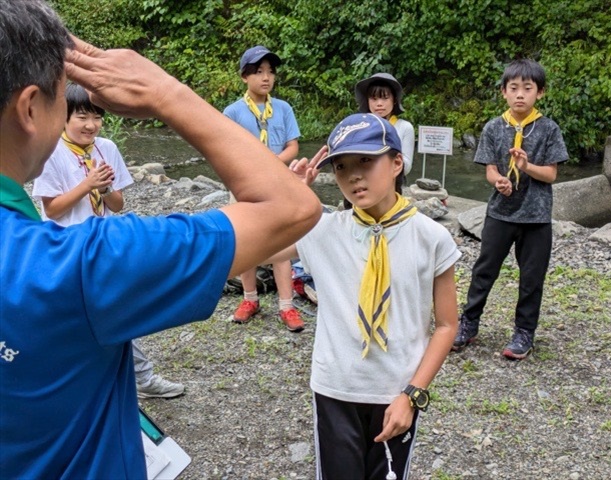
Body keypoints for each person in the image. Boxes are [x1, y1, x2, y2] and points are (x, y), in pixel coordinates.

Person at [0, 1, 321, 478]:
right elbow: (291, 208)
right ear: (31, 107)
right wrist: (165, 93)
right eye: (63, 99)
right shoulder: (82, 263)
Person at [272, 113, 460, 479]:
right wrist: (290, 203)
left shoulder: (431, 237)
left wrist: (412, 395)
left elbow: (447, 325)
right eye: (341, 167)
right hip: (335, 388)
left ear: (397, 163)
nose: (354, 175)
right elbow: (260, 250)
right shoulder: (323, 230)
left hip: (396, 393)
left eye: (366, 161)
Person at [32, 83, 184, 399]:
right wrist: (88, 183)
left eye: (97, 117)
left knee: (121, 307)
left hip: (104, 245)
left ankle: (140, 378)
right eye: (82, 117)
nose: (90, 125)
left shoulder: (107, 148)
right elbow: (52, 208)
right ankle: (78, 381)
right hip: (67, 247)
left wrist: (103, 188)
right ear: (63, 117)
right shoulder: (51, 151)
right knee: (82, 316)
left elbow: (118, 205)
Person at [451, 58, 569, 359]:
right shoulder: (493, 127)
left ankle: (524, 333)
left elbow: (552, 175)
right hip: (500, 213)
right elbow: (490, 170)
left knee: (532, 276)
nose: (520, 94)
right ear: (503, 91)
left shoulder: (549, 129)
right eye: (513, 88)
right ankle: (469, 324)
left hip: (537, 215)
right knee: (484, 270)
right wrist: (499, 181)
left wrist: (526, 166)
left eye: (527, 89)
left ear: (539, 93)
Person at [223, 45, 305, 332]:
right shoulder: (232, 112)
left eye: (270, 72)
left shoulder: (283, 109)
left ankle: (287, 305)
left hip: (279, 183)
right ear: (245, 76)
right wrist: (256, 167)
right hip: (245, 186)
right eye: (259, 72)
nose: (266, 77)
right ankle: (250, 299)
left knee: (281, 242)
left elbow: (293, 146)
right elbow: (227, 152)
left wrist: (271, 163)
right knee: (246, 241)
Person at [355, 72, 415, 178]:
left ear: (394, 100)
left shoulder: (405, 127)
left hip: (393, 187)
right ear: (367, 101)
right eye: (374, 99)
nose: (379, 103)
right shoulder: (360, 126)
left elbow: (406, 167)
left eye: (385, 98)